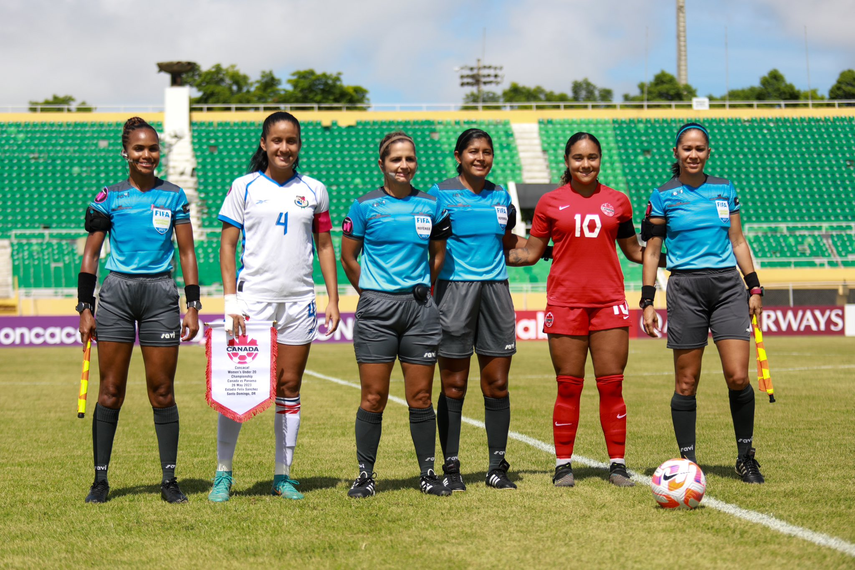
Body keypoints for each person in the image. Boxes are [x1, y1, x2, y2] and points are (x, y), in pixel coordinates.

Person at [208, 111, 340, 502]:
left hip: (299, 302)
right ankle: (223, 473)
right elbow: (228, 245)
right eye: (277, 141)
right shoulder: (244, 187)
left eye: (292, 141)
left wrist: (332, 298)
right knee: (237, 388)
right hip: (252, 304)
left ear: (299, 145)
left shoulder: (314, 190)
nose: (285, 148)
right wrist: (231, 300)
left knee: (289, 386)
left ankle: (282, 475)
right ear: (264, 144)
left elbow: (325, 246)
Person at [507, 132, 651, 488]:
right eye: (578, 158)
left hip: (609, 304)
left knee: (612, 386)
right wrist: (482, 250)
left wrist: (681, 255)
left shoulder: (618, 202)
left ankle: (617, 464)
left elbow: (635, 251)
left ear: (600, 160)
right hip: (565, 303)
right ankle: (562, 465)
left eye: (592, 157)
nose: (585, 164)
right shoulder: (549, 202)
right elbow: (532, 253)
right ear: (567, 161)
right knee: (568, 387)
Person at [78, 116, 200, 504]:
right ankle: (100, 481)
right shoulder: (108, 197)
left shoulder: (174, 195)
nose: (147, 155)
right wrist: (85, 305)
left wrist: (192, 304)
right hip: (116, 294)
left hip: (161, 295)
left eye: (152, 148)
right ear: (125, 152)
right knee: (111, 391)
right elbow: (92, 255)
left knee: (162, 391)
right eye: (139, 149)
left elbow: (186, 253)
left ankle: (169, 481)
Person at [640, 122, 765, 484]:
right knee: (686, 381)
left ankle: (746, 456)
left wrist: (754, 288)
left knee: (738, 376)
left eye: (700, 149)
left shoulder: (724, 189)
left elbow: (738, 241)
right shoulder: (663, 195)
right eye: (687, 149)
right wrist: (648, 300)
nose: (693, 154)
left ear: (708, 152)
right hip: (685, 288)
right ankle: (687, 463)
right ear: (676, 153)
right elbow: (651, 252)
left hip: (727, 287)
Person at [340, 131, 452, 498]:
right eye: (396, 160)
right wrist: (371, 292)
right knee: (373, 396)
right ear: (382, 164)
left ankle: (428, 474)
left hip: (420, 310)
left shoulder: (432, 206)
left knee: (420, 396)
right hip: (377, 311)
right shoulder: (363, 206)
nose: (404, 166)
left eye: (410, 159)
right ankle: (365, 476)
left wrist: (422, 287)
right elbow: (348, 257)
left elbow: (438, 255)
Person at [428, 128, 523, 491]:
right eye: (472, 151)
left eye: (486, 152)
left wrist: (553, 248)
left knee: (497, 384)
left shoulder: (502, 196)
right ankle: (451, 468)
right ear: (458, 155)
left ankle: (497, 466)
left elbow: (506, 243)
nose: (480, 158)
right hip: (453, 293)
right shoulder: (438, 195)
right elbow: (429, 246)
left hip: (496, 293)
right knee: (453, 384)